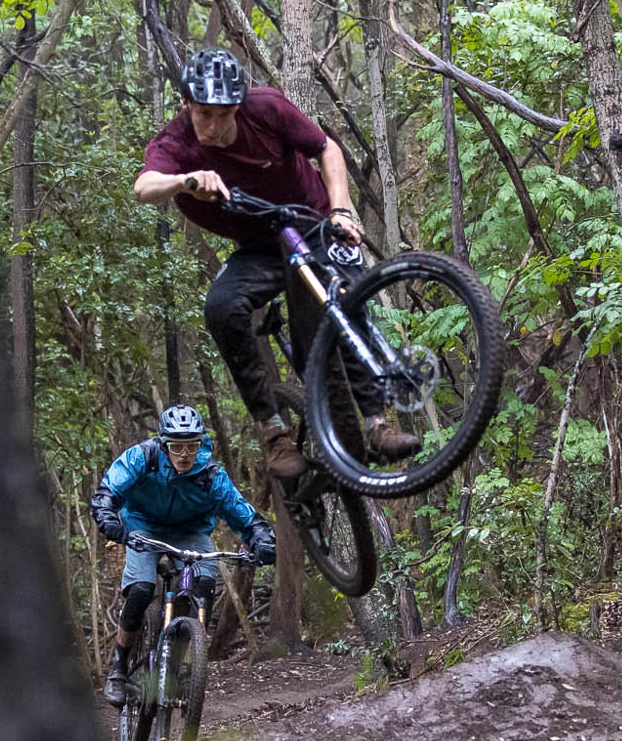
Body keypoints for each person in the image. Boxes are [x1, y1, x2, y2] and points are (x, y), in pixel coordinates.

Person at [133, 47, 419, 481]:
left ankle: (378, 424)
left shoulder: (266, 108)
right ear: (186, 104)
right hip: (258, 248)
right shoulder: (177, 142)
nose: (213, 125)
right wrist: (185, 181)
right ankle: (273, 432)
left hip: (313, 225)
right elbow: (144, 187)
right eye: (204, 113)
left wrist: (341, 211)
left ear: (239, 106)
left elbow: (327, 148)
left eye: (224, 114)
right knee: (221, 307)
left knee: (345, 298)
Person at [89, 404, 275, 705]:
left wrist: (261, 539)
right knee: (141, 589)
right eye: (177, 446)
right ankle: (119, 666)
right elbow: (109, 490)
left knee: (204, 585)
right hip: (143, 527)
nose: (185, 454)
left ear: (201, 443)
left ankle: (182, 662)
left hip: (191, 531)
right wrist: (108, 518)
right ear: (164, 445)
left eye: (192, 445)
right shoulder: (143, 457)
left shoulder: (211, 475)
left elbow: (243, 514)